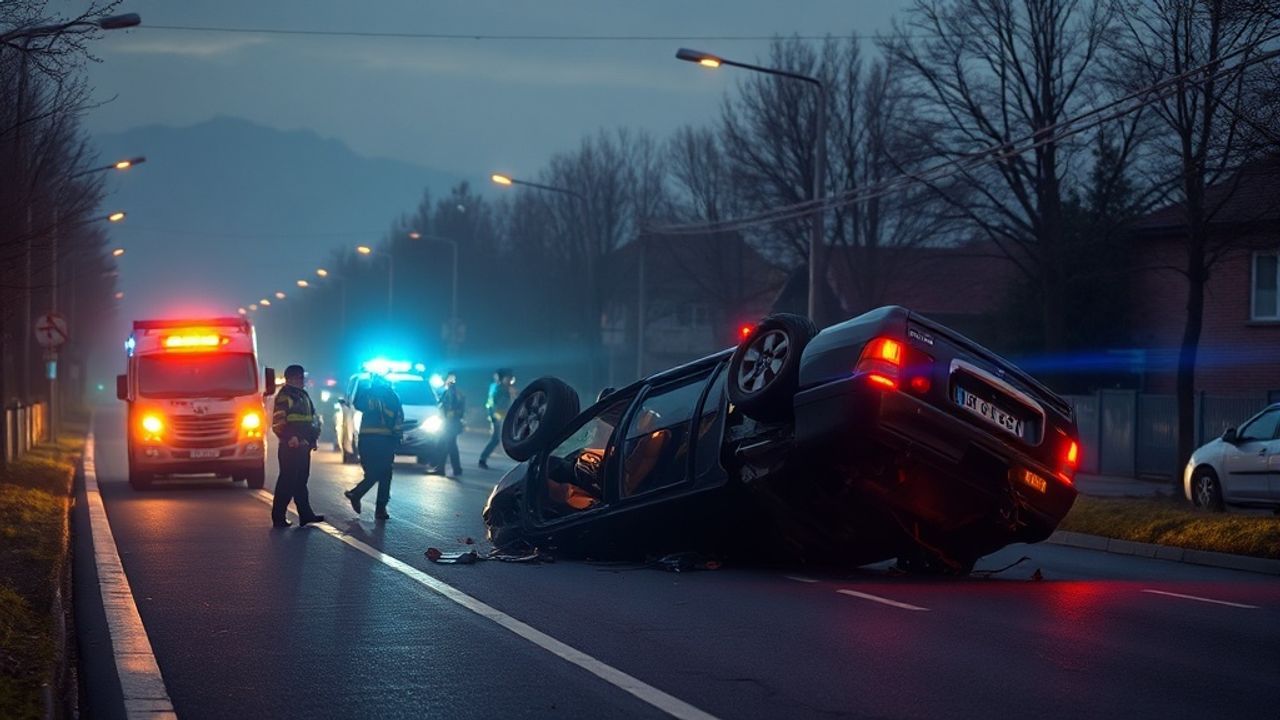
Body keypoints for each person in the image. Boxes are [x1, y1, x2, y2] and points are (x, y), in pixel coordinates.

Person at [271, 364, 324, 528]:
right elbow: (278, 421)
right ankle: (278, 518)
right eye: (301, 377)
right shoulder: (285, 396)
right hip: (290, 446)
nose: (303, 381)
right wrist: (289, 437)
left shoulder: (303, 396)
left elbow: (312, 419)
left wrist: (313, 438)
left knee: (301, 480)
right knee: (287, 481)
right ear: (292, 378)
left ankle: (305, 515)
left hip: (304, 445)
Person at [345, 372, 403, 520]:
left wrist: (396, 437)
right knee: (379, 473)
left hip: (374, 440)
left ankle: (373, 504)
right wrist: (397, 437)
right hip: (378, 440)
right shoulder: (381, 394)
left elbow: (396, 417)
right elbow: (398, 417)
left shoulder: (382, 394)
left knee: (380, 473)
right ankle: (362, 497)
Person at [479, 368, 516, 469]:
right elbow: (491, 403)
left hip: (504, 417)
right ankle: (482, 459)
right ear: (503, 378)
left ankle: (483, 458)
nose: (510, 380)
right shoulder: (497, 388)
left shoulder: (506, 389)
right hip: (498, 417)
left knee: (501, 439)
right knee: (495, 439)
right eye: (508, 378)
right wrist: (492, 416)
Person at [438, 370, 466, 477]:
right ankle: (444, 468)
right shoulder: (447, 391)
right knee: (446, 445)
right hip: (448, 422)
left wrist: (450, 414)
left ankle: (449, 469)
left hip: (451, 423)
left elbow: (456, 409)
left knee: (448, 445)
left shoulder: (454, 392)